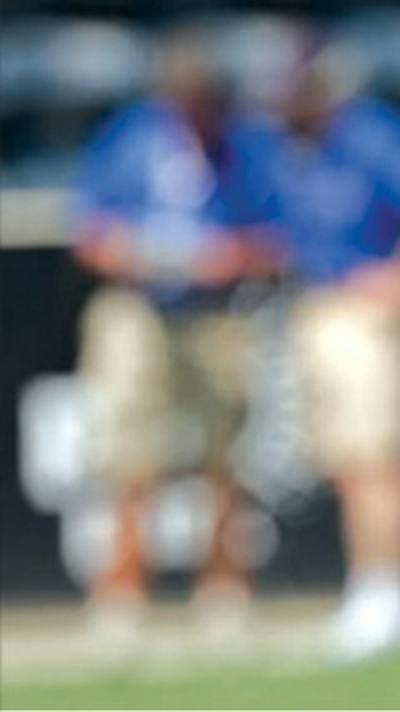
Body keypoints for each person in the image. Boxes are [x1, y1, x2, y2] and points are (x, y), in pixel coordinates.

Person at [71, 32, 278, 641]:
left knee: (226, 455)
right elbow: (91, 232)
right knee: (129, 453)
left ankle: (224, 594)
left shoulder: (247, 145)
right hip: (139, 307)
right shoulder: (132, 136)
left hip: (219, 311)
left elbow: (278, 238)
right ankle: (122, 594)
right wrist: (142, 257)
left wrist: (225, 258)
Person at [261, 38, 400, 663]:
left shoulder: (368, 135)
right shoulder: (289, 151)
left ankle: (386, 595)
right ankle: (372, 589)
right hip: (316, 308)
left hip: (360, 312)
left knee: (375, 458)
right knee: (349, 460)